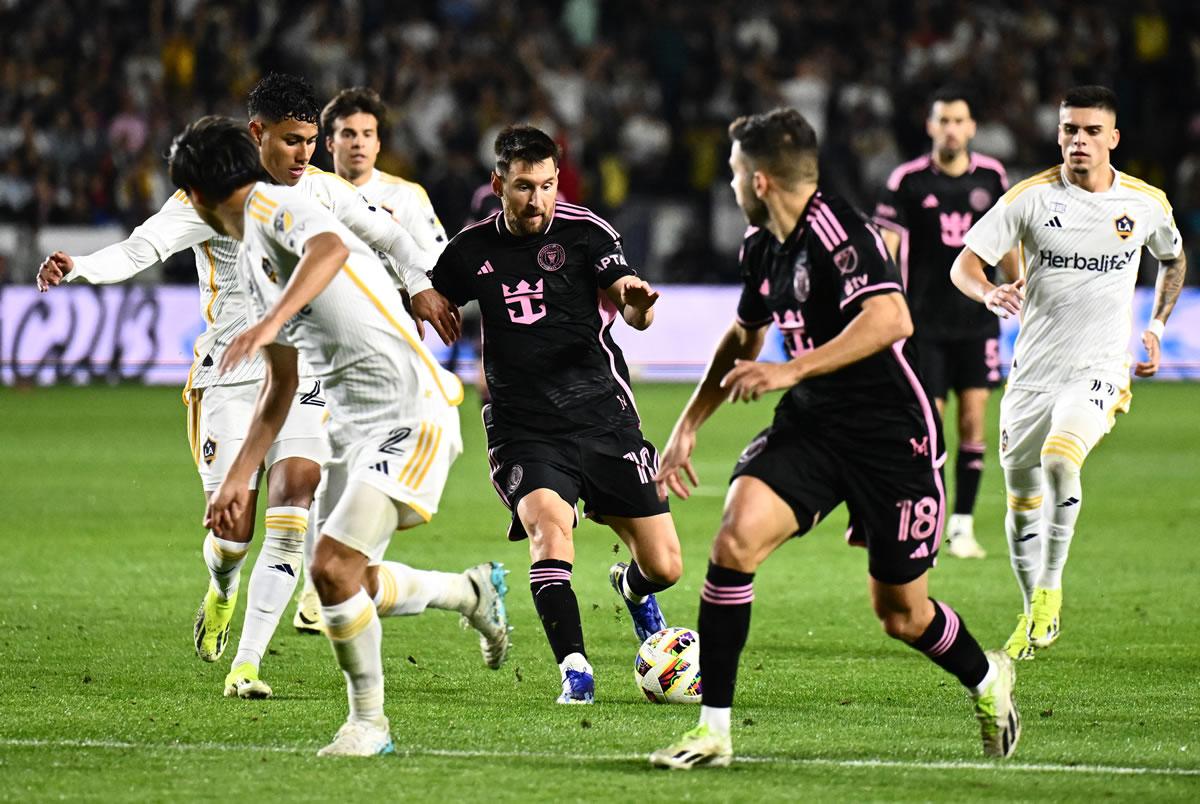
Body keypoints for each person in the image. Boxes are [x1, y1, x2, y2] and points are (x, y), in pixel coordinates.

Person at [34, 73, 472, 700]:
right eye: (293, 142)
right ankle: (223, 587)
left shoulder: (321, 190)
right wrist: (80, 267)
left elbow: (387, 235)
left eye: (312, 142)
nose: (306, 155)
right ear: (258, 134)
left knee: (295, 503)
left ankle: (248, 663)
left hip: (298, 372)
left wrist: (418, 282)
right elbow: (140, 250)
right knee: (233, 532)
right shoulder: (206, 200)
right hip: (228, 378)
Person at [649, 108, 1018, 769]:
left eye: (734, 173)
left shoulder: (840, 228)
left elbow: (891, 317)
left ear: (759, 180)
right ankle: (713, 733)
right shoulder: (763, 246)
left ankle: (988, 679)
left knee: (903, 614)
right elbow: (742, 337)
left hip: (891, 435)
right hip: (814, 425)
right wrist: (688, 424)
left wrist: (789, 368)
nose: (730, 186)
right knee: (733, 542)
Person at [171, 115, 497, 756]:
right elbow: (281, 387)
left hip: (410, 409)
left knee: (330, 568)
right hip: (353, 428)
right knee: (354, 578)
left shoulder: (278, 207)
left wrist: (271, 322)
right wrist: (237, 479)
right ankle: (469, 592)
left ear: (199, 198)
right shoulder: (258, 260)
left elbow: (332, 250)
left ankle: (369, 726)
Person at [430, 124, 683, 704]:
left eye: (547, 185)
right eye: (523, 186)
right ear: (498, 185)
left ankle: (634, 588)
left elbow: (628, 297)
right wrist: (422, 296)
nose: (537, 199)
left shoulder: (586, 231)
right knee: (549, 527)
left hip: (603, 413)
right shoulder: (472, 249)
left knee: (665, 565)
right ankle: (575, 667)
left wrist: (638, 306)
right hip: (525, 427)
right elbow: (428, 291)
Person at [951, 85, 1185, 661]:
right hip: (1033, 373)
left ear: (1113, 138)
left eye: (1090, 130)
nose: (1078, 140)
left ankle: (1052, 587)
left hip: (1098, 367)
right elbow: (964, 262)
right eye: (1069, 130)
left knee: (1061, 457)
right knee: (1020, 501)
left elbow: (1173, 258)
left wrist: (1153, 327)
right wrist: (988, 294)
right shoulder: (1029, 199)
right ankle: (1034, 611)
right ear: (1058, 134)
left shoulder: (1145, 202)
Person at [875, 88, 1016, 560]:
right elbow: (888, 251)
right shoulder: (907, 180)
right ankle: (925, 520)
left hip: (977, 320)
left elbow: (1009, 241)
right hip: (924, 324)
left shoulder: (992, 177)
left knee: (974, 422)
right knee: (929, 426)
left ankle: (962, 525)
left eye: (959, 120)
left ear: (971, 127)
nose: (952, 128)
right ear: (930, 126)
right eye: (943, 120)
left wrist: (1021, 288)